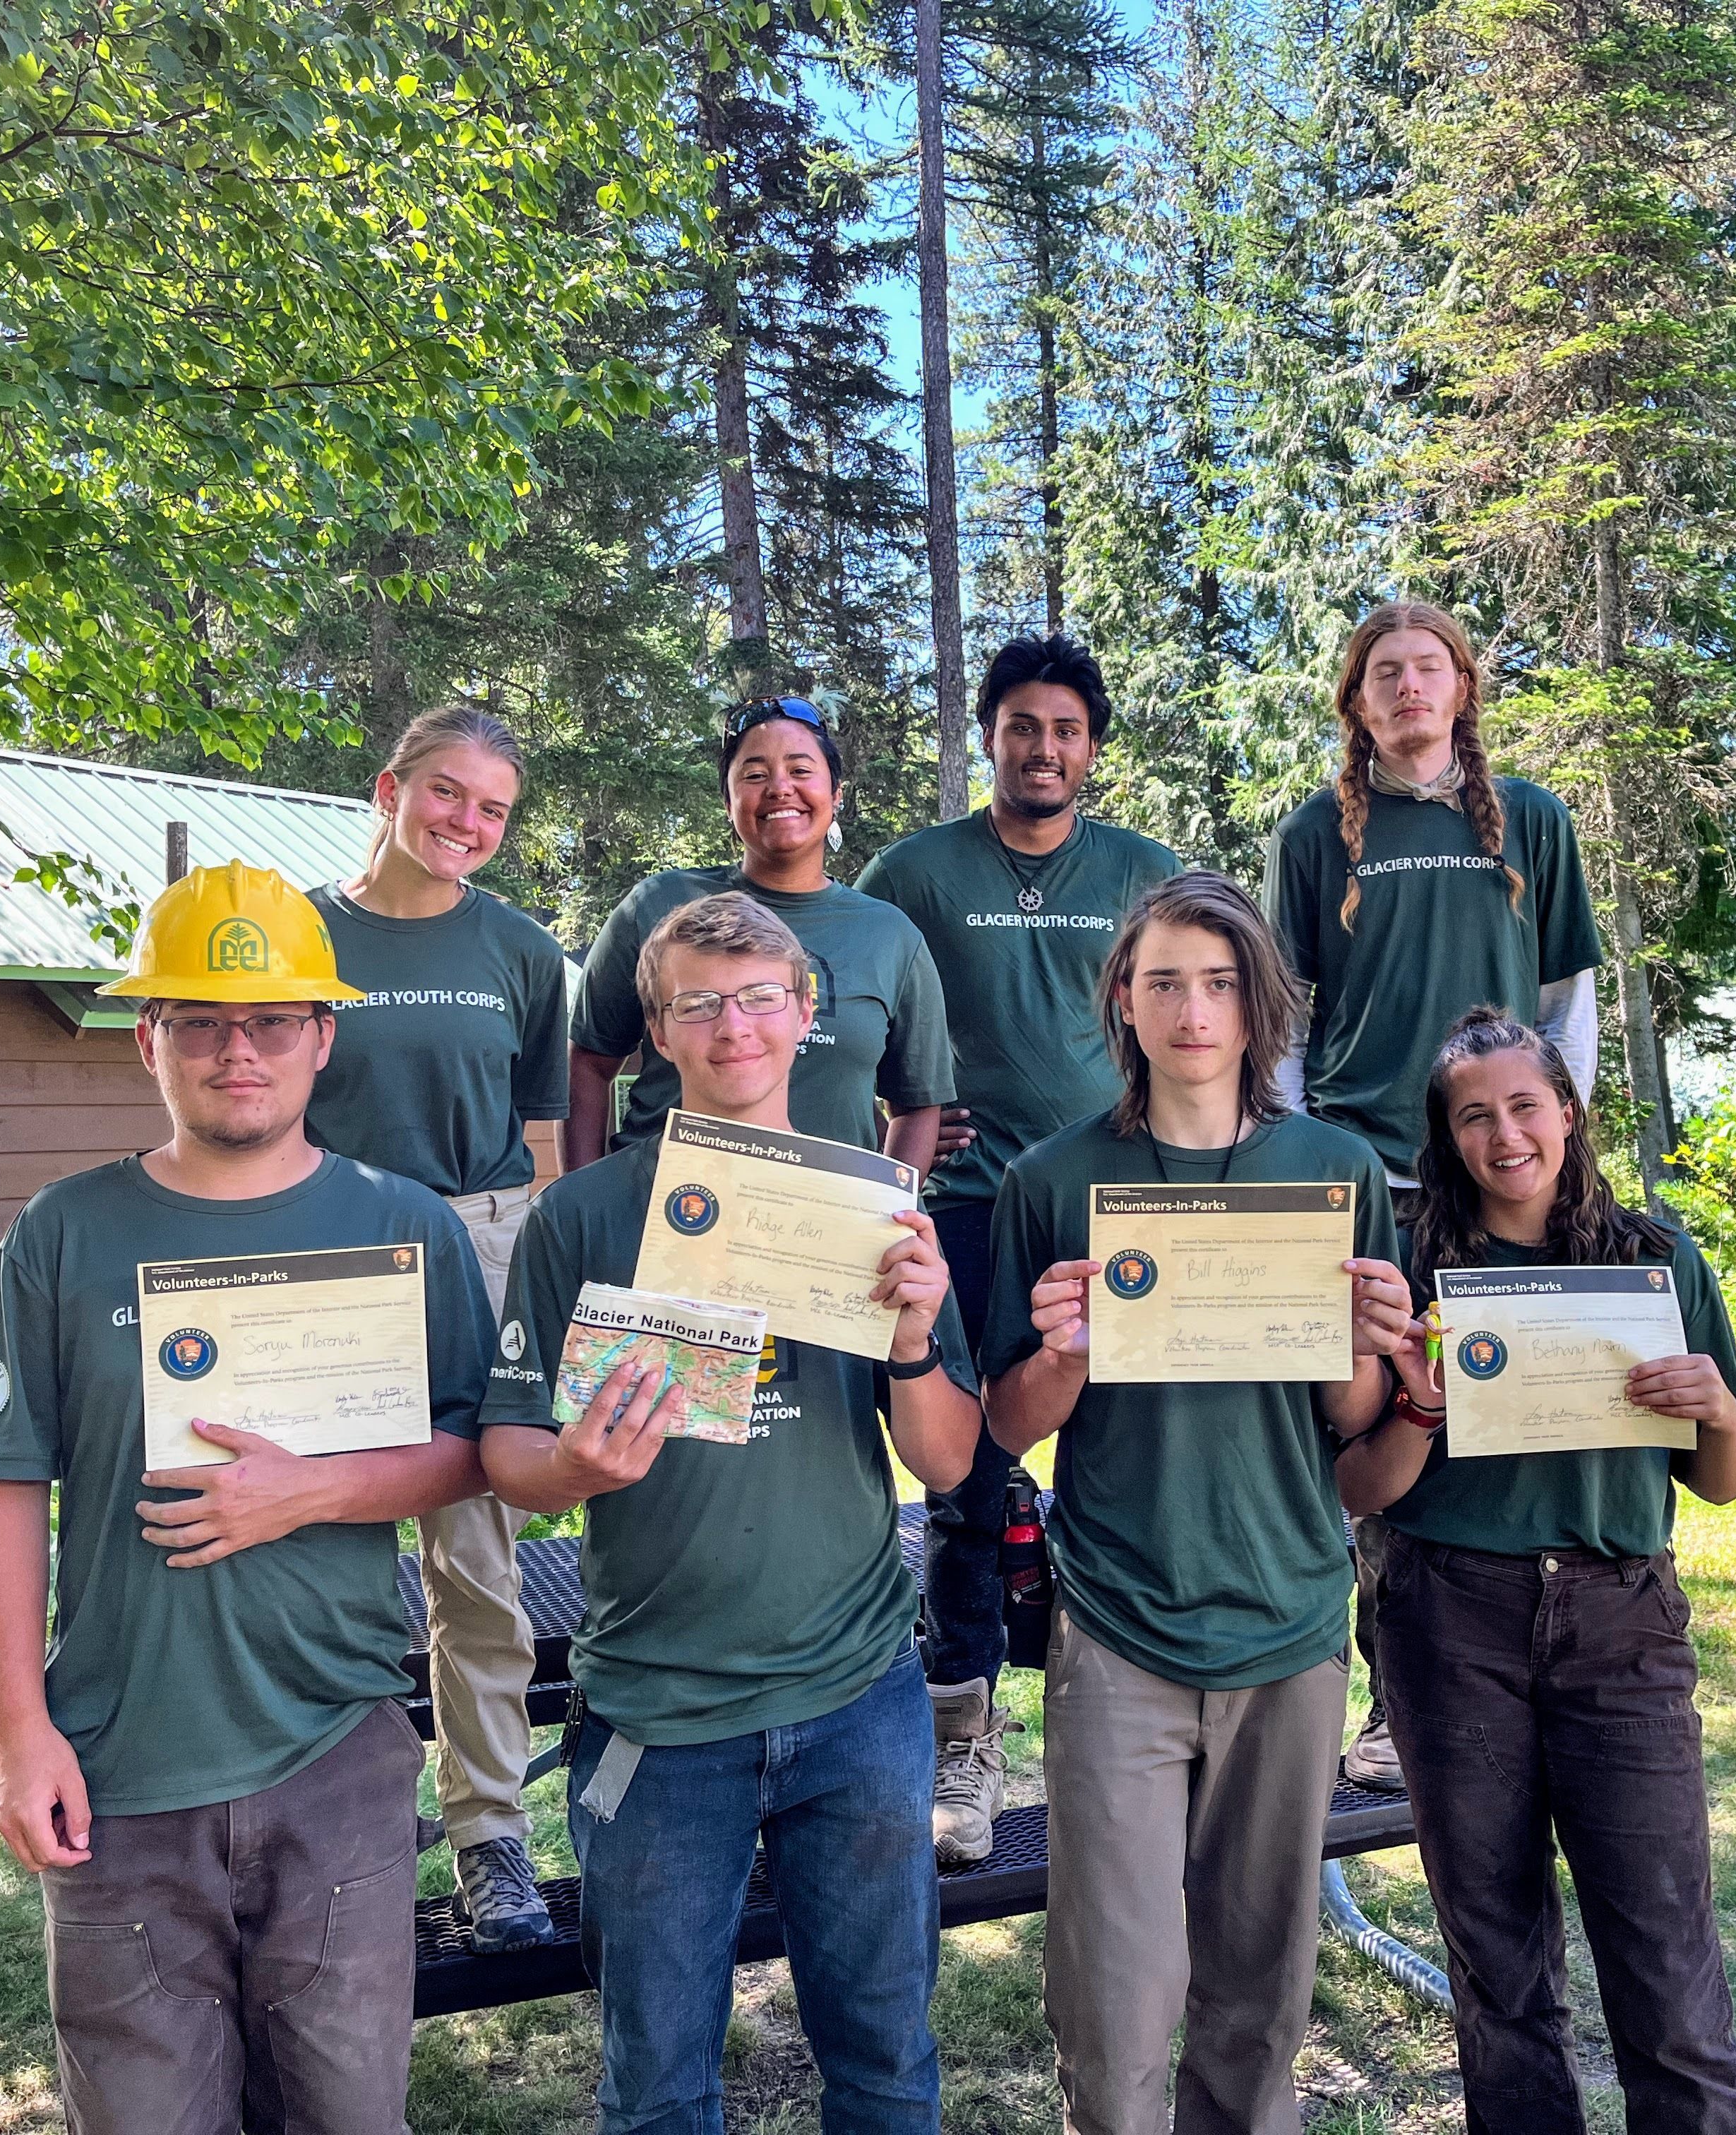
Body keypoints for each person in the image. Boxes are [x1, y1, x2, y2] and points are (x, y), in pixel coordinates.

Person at [0, 863, 496, 2135]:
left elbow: (476, 1448)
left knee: (350, 2113)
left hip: (337, 1752)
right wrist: (19, 1730)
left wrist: (316, 1491)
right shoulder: (63, 1233)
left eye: (268, 1020)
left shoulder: (402, 1223)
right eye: (198, 1018)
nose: (234, 1049)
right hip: (120, 1766)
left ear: (321, 1036)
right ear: (149, 1038)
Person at [481, 892, 983, 2135]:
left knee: (885, 2064)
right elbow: (505, 1449)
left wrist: (916, 1339)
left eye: (760, 995)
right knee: (655, 2088)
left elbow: (950, 1455)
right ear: (655, 1031)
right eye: (698, 1003)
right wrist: (574, 1470)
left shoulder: (877, 1208)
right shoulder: (583, 1212)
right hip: (657, 1712)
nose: (733, 1025)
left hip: (858, 1699)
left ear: (806, 1014)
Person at [981, 871, 1414, 2135]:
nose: (1191, 1007)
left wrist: (1363, 1342)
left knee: (1257, 1994)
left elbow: (1350, 1420)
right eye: (1162, 978)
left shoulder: (1332, 1167)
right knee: (1114, 2006)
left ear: (1258, 1000)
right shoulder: (1056, 1180)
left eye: (1219, 981)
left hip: (1287, 1617)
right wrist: (1062, 1350)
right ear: (1121, 996)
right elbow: (1003, 1426)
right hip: (1120, 1620)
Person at [1335, 1010, 1736, 2135]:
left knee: (1666, 1962)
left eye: (1525, 1105)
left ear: (1568, 1115)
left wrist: (1716, 1407)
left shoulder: (1657, 1260)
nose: (1505, 1134)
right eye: (1473, 1116)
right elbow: (1358, 1490)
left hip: (1620, 1624)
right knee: (1498, 1966)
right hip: (1447, 1619)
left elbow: (1722, 1480)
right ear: (1445, 1137)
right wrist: (1423, 1395)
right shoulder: (1412, 1271)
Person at [1264, 598, 1605, 1790]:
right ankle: (1385, 1697)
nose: (1408, 687)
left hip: (1501, 1170)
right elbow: (1288, 1018)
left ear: (1461, 686)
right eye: (1384, 672)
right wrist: (1297, 1153)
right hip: (1367, 1168)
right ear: (1356, 700)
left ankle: (1529, 1669)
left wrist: (1551, 1143)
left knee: (1496, 1420)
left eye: (1429, 667)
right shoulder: (1316, 834)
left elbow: (1568, 1004)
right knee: (1367, 1431)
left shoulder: (1533, 822)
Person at [855, 633, 1180, 1869]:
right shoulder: (917, 871)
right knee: (969, 1464)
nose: (1044, 748)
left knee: (1125, 1440)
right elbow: (860, 1016)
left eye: (1067, 730)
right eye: (1022, 726)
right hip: (966, 1203)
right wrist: (904, 1138)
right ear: (987, 736)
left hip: (1121, 1206)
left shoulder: (1145, 870)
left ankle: (1126, 1704)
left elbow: (1199, 1014)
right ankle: (965, 1723)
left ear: (1092, 748)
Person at [306, 703, 574, 1954]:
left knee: (477, 1563)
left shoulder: (518, 949)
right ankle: (337, 1818)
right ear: (388, 787)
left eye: (493, 807)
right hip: (328, 1255)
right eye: (448, 793)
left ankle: (489, 1839)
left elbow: (545, 1142)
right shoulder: (299, 933)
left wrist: (546, 1276)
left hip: (482, 1244)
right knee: (315, 1545)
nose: (468, 822)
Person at [567, 695, 951, 1173]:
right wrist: (583, 1199)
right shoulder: (658, 906)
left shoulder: (890, 936)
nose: (779, 788)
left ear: (836, 795)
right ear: (728, 802)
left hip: (821, 1224)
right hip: (664, 1213)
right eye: (754, 775)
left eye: (801, 770)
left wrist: (890, 1214)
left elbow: (917, 1105)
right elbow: (590, 1062)